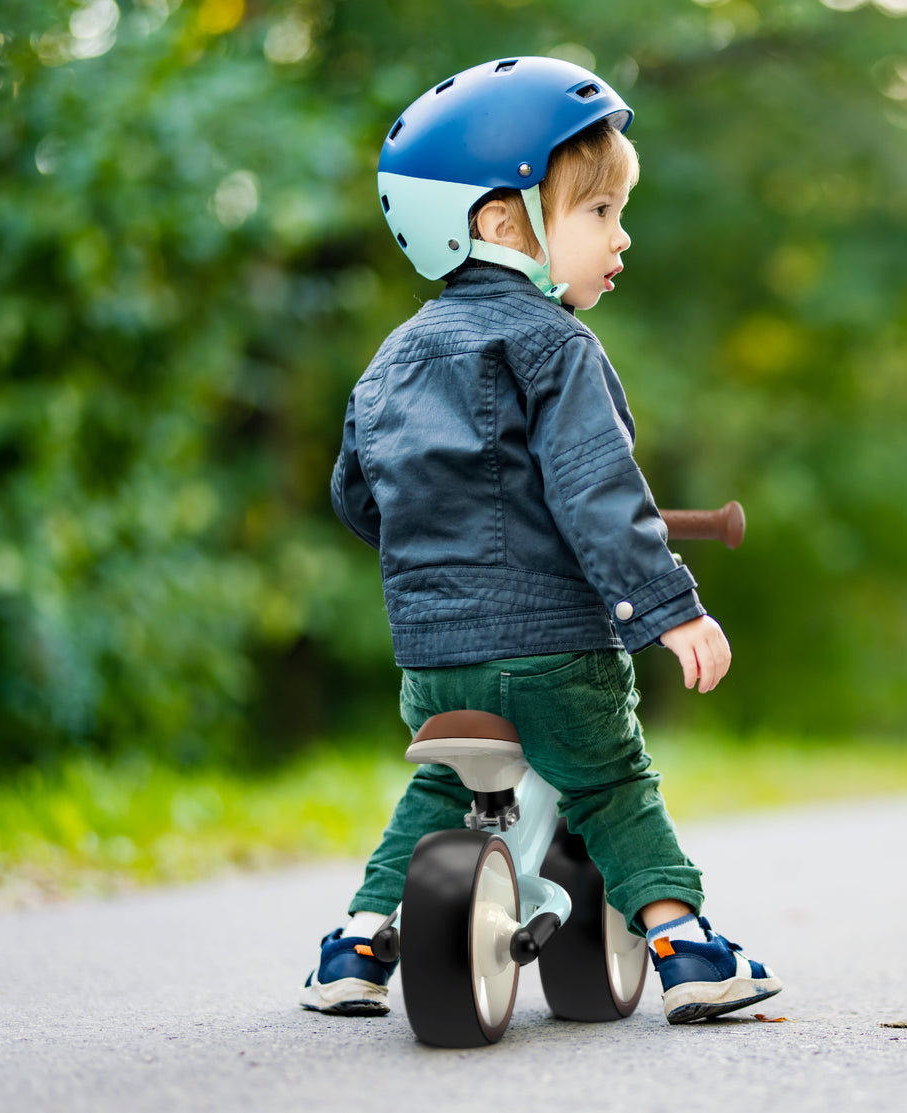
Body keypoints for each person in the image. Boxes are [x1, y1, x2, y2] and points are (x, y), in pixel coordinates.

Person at [299, 56, 781, 1026]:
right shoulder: (559, 347)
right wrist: (670, 613)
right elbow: (600, 497)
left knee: (442, 792)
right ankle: (687, 951)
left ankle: (353, 945)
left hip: (436, 658)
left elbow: (358, 498)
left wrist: (438, 552)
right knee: (610, 785)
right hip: (556, 651)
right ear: (499, 222)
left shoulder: (391, 359)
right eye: (599, 212)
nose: (622, 235)